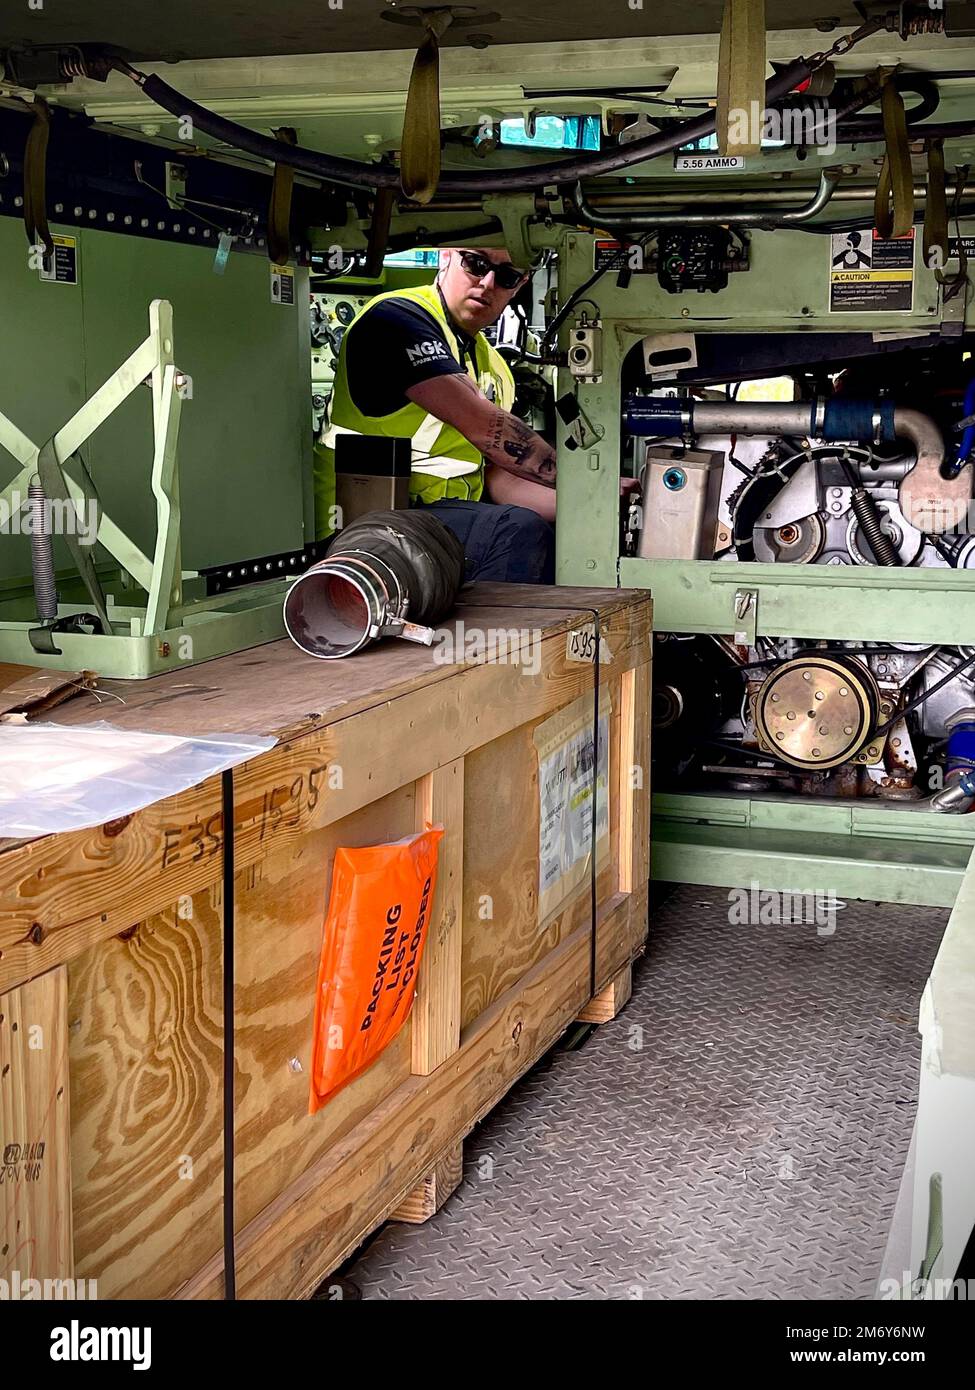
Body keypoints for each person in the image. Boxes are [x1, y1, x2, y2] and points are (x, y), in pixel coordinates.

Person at [315, 246, 557, 583]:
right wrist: (574, 476)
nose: (487, 283)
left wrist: (591, 502)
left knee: (554, 530)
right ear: (446, 257)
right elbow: (484, 426)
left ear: (519, 285)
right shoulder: (395, 318)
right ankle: (486, 637)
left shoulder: (496, 368)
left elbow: (503, 478)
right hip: (362, 525)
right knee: (516, 531)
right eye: (476, 264)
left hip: (439, 524)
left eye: (506, 276)